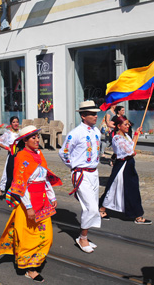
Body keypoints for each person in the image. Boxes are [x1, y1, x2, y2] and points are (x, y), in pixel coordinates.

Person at [0, 125, 62, 283]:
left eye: (37, 137)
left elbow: (45, 177)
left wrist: (52, 197)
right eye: (33, 137)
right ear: (25, 141)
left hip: (42, 200)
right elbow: (21, 184)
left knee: (46, 237)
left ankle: (33, 262)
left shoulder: (39, 154)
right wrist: (28, 207)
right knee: (28, 237)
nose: (37, 139)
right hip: (29, 202)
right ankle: (30, 269)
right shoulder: (21, 156)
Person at [59, 100, 102, 254]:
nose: (95, 116)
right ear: (83, 116)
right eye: (91, 114)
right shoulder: (75, 133)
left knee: (92, 206)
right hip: (81, 173)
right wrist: (74, 166)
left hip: (93, 173)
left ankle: (85, 234)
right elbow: (63, 152)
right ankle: (82, 238)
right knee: (91, 207)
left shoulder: (97, 131)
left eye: (96, 113)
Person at [99, 116, 151, 224]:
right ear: (119, 126)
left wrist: (136, 134)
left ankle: (103, 208)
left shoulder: (126, 136)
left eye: (128, 124)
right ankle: (137, 215)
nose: (128, 126)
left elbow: (132, 145)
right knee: (117, 187)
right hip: (122, 165)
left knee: (124, 188)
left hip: (129, 164)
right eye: (125, 124)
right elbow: (130, 151)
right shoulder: (117, 138)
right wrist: (132, 152)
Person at [0, 116, 20, 199]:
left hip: (20, 156)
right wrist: (8, 148)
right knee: (7, 174)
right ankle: (1, 189)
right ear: (11, 124)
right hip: (11, 156)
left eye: (17, 122)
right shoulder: (8, 133)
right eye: (14, 122)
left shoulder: (20, 132)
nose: (15, 124)